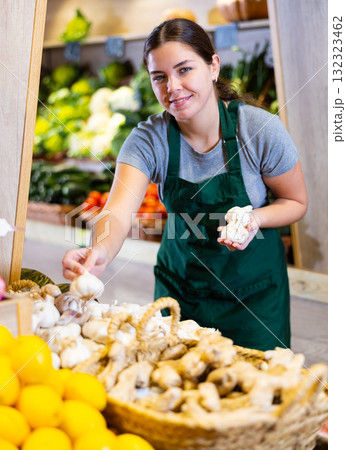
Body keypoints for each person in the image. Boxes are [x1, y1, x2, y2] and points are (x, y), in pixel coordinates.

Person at [62, 19, 308, 351]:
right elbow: (117, 214)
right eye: (159, 77)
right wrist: (100, 252)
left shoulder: (259, 129)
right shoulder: (149, 140)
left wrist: (255, 219)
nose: (173, 87)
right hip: (180, 296)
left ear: (213, 67)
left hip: (254, 301)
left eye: (185, 70)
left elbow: (295, 202)